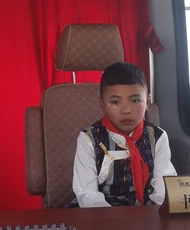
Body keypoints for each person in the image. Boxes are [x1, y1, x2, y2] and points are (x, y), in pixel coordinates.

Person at [72, 61, 176, 207]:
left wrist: (152, 215)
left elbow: (164, 189)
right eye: (115, 102)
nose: (126, 110)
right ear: (102, 103)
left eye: (135, 100)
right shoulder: (89, 139)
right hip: (100, 215)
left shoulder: (157, 137)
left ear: (147, 102)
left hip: (147, 214)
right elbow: (88, 195)